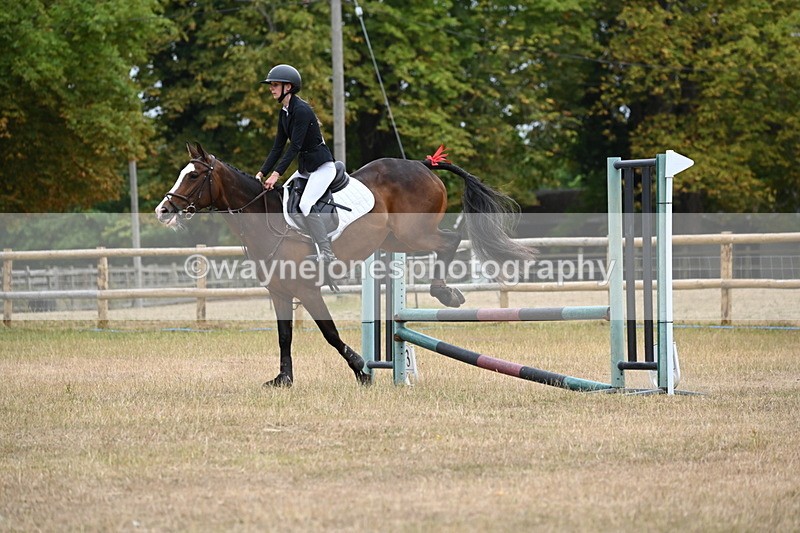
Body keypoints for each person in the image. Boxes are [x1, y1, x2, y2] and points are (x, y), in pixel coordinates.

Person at [255, 64, 338, 264]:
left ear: (288, 87)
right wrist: (262, 172)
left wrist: (277, 174)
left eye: (275, 85)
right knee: (284, 197)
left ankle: (327, 253)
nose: (271, 89)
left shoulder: (301, 110)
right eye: (271, 85)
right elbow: (277, 147)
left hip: (322, 167)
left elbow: (295, 147)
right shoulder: (284, 112)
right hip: (306, 168)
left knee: (305, 203)